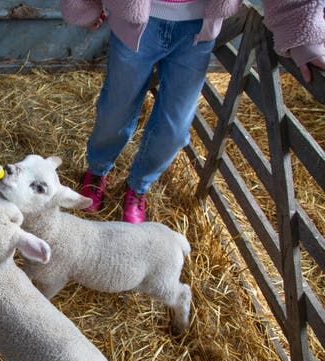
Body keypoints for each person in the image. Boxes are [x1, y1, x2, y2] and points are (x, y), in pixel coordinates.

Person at [60, 0, 325, 223]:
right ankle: (97, 170)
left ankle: (138, 186)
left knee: (175, 127)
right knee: (115, 110)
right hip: (137, 17)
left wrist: (301, 29)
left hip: (198, 28)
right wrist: (84, 5)